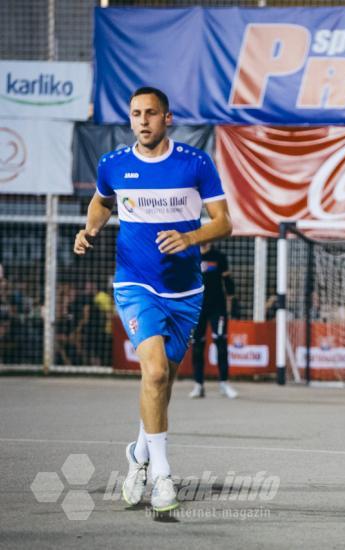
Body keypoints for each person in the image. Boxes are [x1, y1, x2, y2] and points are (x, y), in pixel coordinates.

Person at [73, 86, 231, 512]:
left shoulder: (194, 164)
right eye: (136, 113)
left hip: (186, 292)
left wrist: (190, 236)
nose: (142, 120)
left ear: (167, 118)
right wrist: (89, 230)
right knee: (156, 373)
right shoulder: (114, 164)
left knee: (162, 383)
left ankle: (138, 454)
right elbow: (102, 202)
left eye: (151, 113)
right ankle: (162, 476)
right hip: (135, 283)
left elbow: (224, 223)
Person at [190, 243, 238, 399]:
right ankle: (198, 385)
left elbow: (228, 282)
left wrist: (234, 302)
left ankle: (224, 383)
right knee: (197, 346)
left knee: (221, 344)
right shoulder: (192, 256)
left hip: (218, 307)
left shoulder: (219, 257)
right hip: (197, 308)